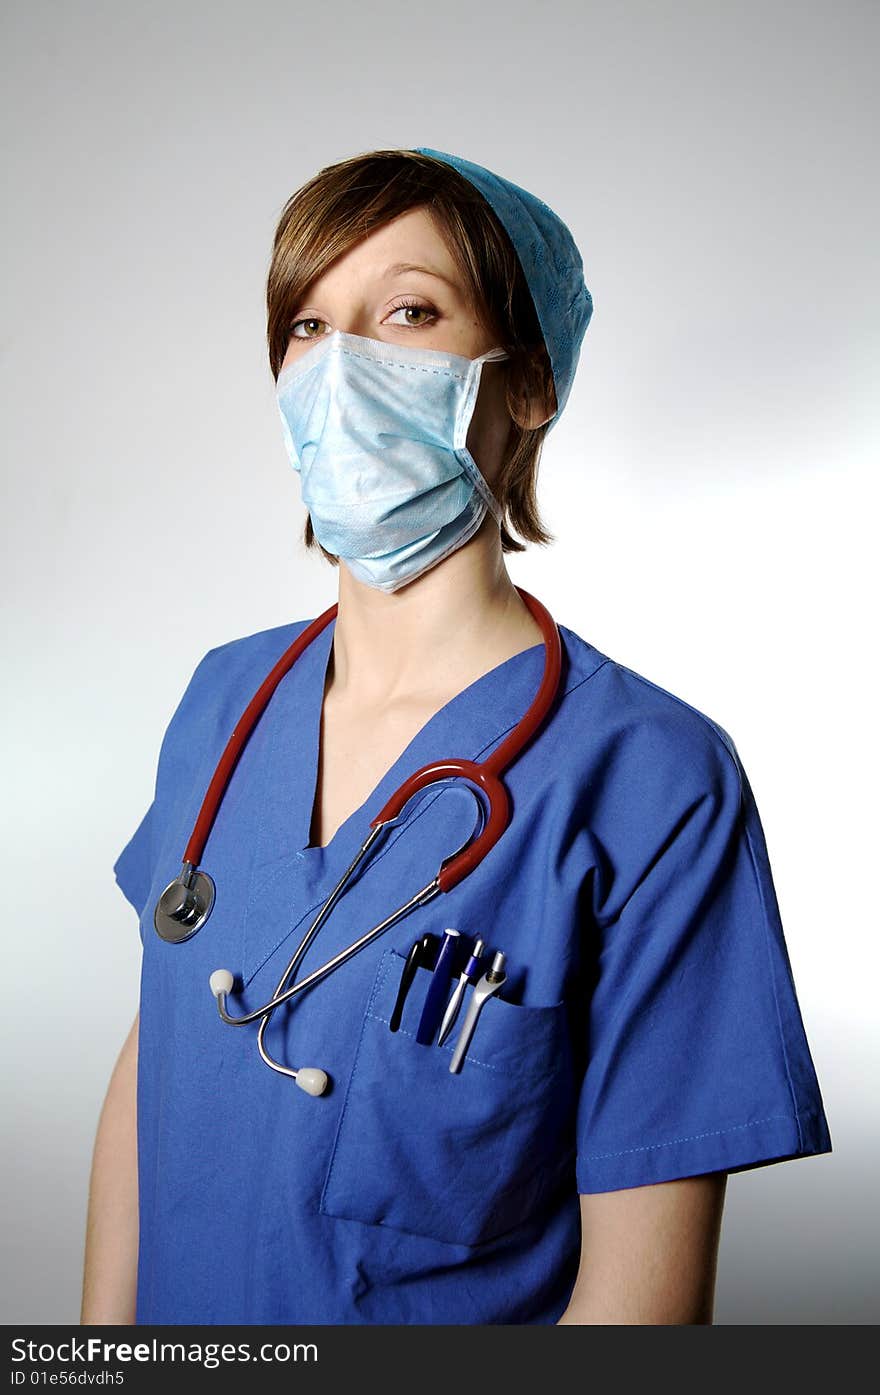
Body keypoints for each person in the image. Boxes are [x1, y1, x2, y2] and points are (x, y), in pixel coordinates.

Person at [81, 147, 832, 1326]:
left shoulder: (651, 777)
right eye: (309, 327)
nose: (339, 371)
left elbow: (641, 1303)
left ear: (526, 381)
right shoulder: (223, 703)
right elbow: (161, 1065)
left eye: (409, 314)